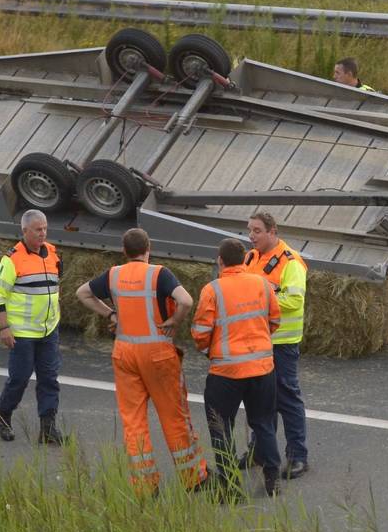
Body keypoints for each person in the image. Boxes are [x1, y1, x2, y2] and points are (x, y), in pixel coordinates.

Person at [76, 228, 209, 495]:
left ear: (124, 251)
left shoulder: (113, 274)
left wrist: (110, 315)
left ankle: (146, 485)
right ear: (149, 249)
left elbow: (82, 293)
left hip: (124, 353)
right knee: (174, 417)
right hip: (158, 354)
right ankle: (194, 478)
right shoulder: (159, 274)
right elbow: (185, 300)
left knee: (134, 422)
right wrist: (175, 320)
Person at [192, 238, 283, 497]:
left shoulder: (212, 290)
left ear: (220, 261)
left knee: (221, 428)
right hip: (262, 368)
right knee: (264, 423)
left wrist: (211, 351)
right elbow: (275, 320)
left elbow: (200, 333)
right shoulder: (262, 284)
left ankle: (231, 486)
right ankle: (272, 476)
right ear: (244, 260)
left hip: (226, 372)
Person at [238, 212, 310, 480]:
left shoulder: (291, 262)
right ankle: (259, 451)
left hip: (281, 344)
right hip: (257, 341)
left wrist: (260, 296)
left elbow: (294, 301)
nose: (251, 235)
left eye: (257, 231)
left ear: (272, 231)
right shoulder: (250, 257)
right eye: (250, 230)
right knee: (259, 399)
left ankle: (297, 456)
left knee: (287, 399)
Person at [0, 210, 65, 445]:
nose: (43, 233)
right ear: (25, 231)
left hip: (49, 331)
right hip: (22, 333)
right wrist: (4, 327)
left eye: (45, 228)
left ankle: (48, 429)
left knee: (49, 379)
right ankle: (3, 415)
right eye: (38, 229)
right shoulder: (12, 259)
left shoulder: (52, 253)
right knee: (20, 379)